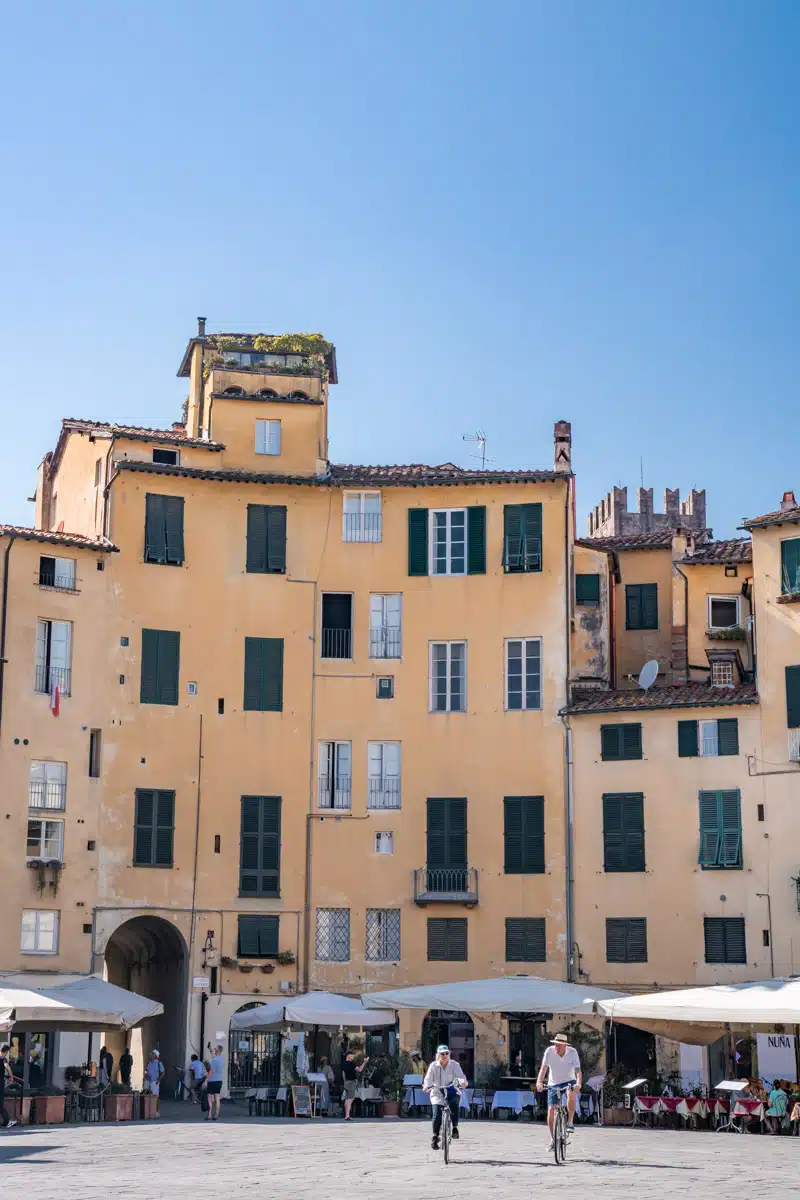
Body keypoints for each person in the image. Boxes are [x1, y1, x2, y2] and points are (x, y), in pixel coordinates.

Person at [536, 1032, 582, 1151]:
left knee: (571, 1093)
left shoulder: (572, 1052)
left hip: (569, 1081)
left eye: (559, 1045)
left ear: (565, 1046)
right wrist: (539, 1082)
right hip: (553, 1083)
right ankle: (553, 1139)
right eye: (555, 1044)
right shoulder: (549, 1052)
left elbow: (577, 1070)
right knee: (551, 1110)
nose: (556, 1047)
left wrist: (578, 1083)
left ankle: (570, 1122)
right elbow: (543, 1068)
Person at [423, 1045, 467, 1151]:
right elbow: (428, 1079)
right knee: (436, 1114)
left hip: (452, 1090)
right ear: (438, 1055)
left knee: (455, 1105)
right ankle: (435, 1136)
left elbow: (461, 1077)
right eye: (442, 1054)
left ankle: (455, 1127)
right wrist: (426, 1086)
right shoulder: (433, 1066)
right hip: (437, 1092)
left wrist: (462, 1082)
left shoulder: (454, 1065)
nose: (445, 1056)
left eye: (447, 1053)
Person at [342, 1051, 369, 1121]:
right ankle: (347, 1115)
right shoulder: (351, 1063)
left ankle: (346, 1115)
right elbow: (360, 1069)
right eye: (352, 1055)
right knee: (350, 1099)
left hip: (347, 1082)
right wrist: (365, 1062)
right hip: (351, 1082)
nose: (353, 1056)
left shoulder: (344, 1063)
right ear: (348, 1056)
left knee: (347, 1099)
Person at [205, 1045, 225, 1122]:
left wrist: (206, 1079)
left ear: (217, 1050)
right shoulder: (222, 1059)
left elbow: (211, 1071)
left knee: (209, 1098)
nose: (214, 1049)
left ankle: (209, 1115)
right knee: (217, 1097)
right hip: (219, 1081)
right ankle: (216, 1114)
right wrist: (210, 1049)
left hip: (212, 1081)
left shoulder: (214, 1060)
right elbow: (214, 1056)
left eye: (215, 1049)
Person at [0, 1045, 17, 1130]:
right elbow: (7, 1067)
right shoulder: (3, 1059)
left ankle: (7, 1121)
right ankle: (7, 1121)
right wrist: (11, 1077)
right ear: (6, 1051)